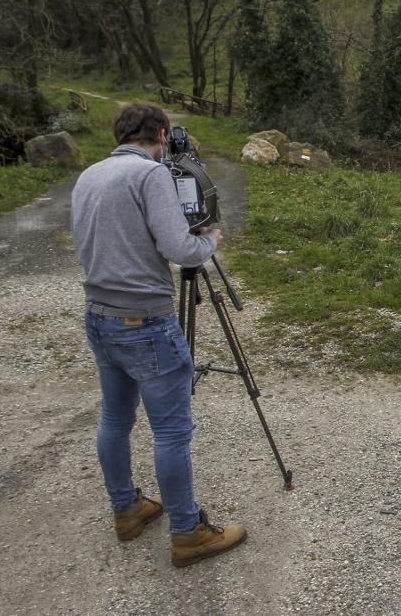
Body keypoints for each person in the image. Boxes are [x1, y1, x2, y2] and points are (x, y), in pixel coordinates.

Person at [71, 103, 247, 567]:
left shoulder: (89, 175)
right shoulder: (151, 177)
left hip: (100, 315)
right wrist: (210, 238)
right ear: (162, 135)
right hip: (144, 321)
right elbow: (180, 250)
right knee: (170, 430)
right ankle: (189, 533)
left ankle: (126, 509)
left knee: (115, 417)